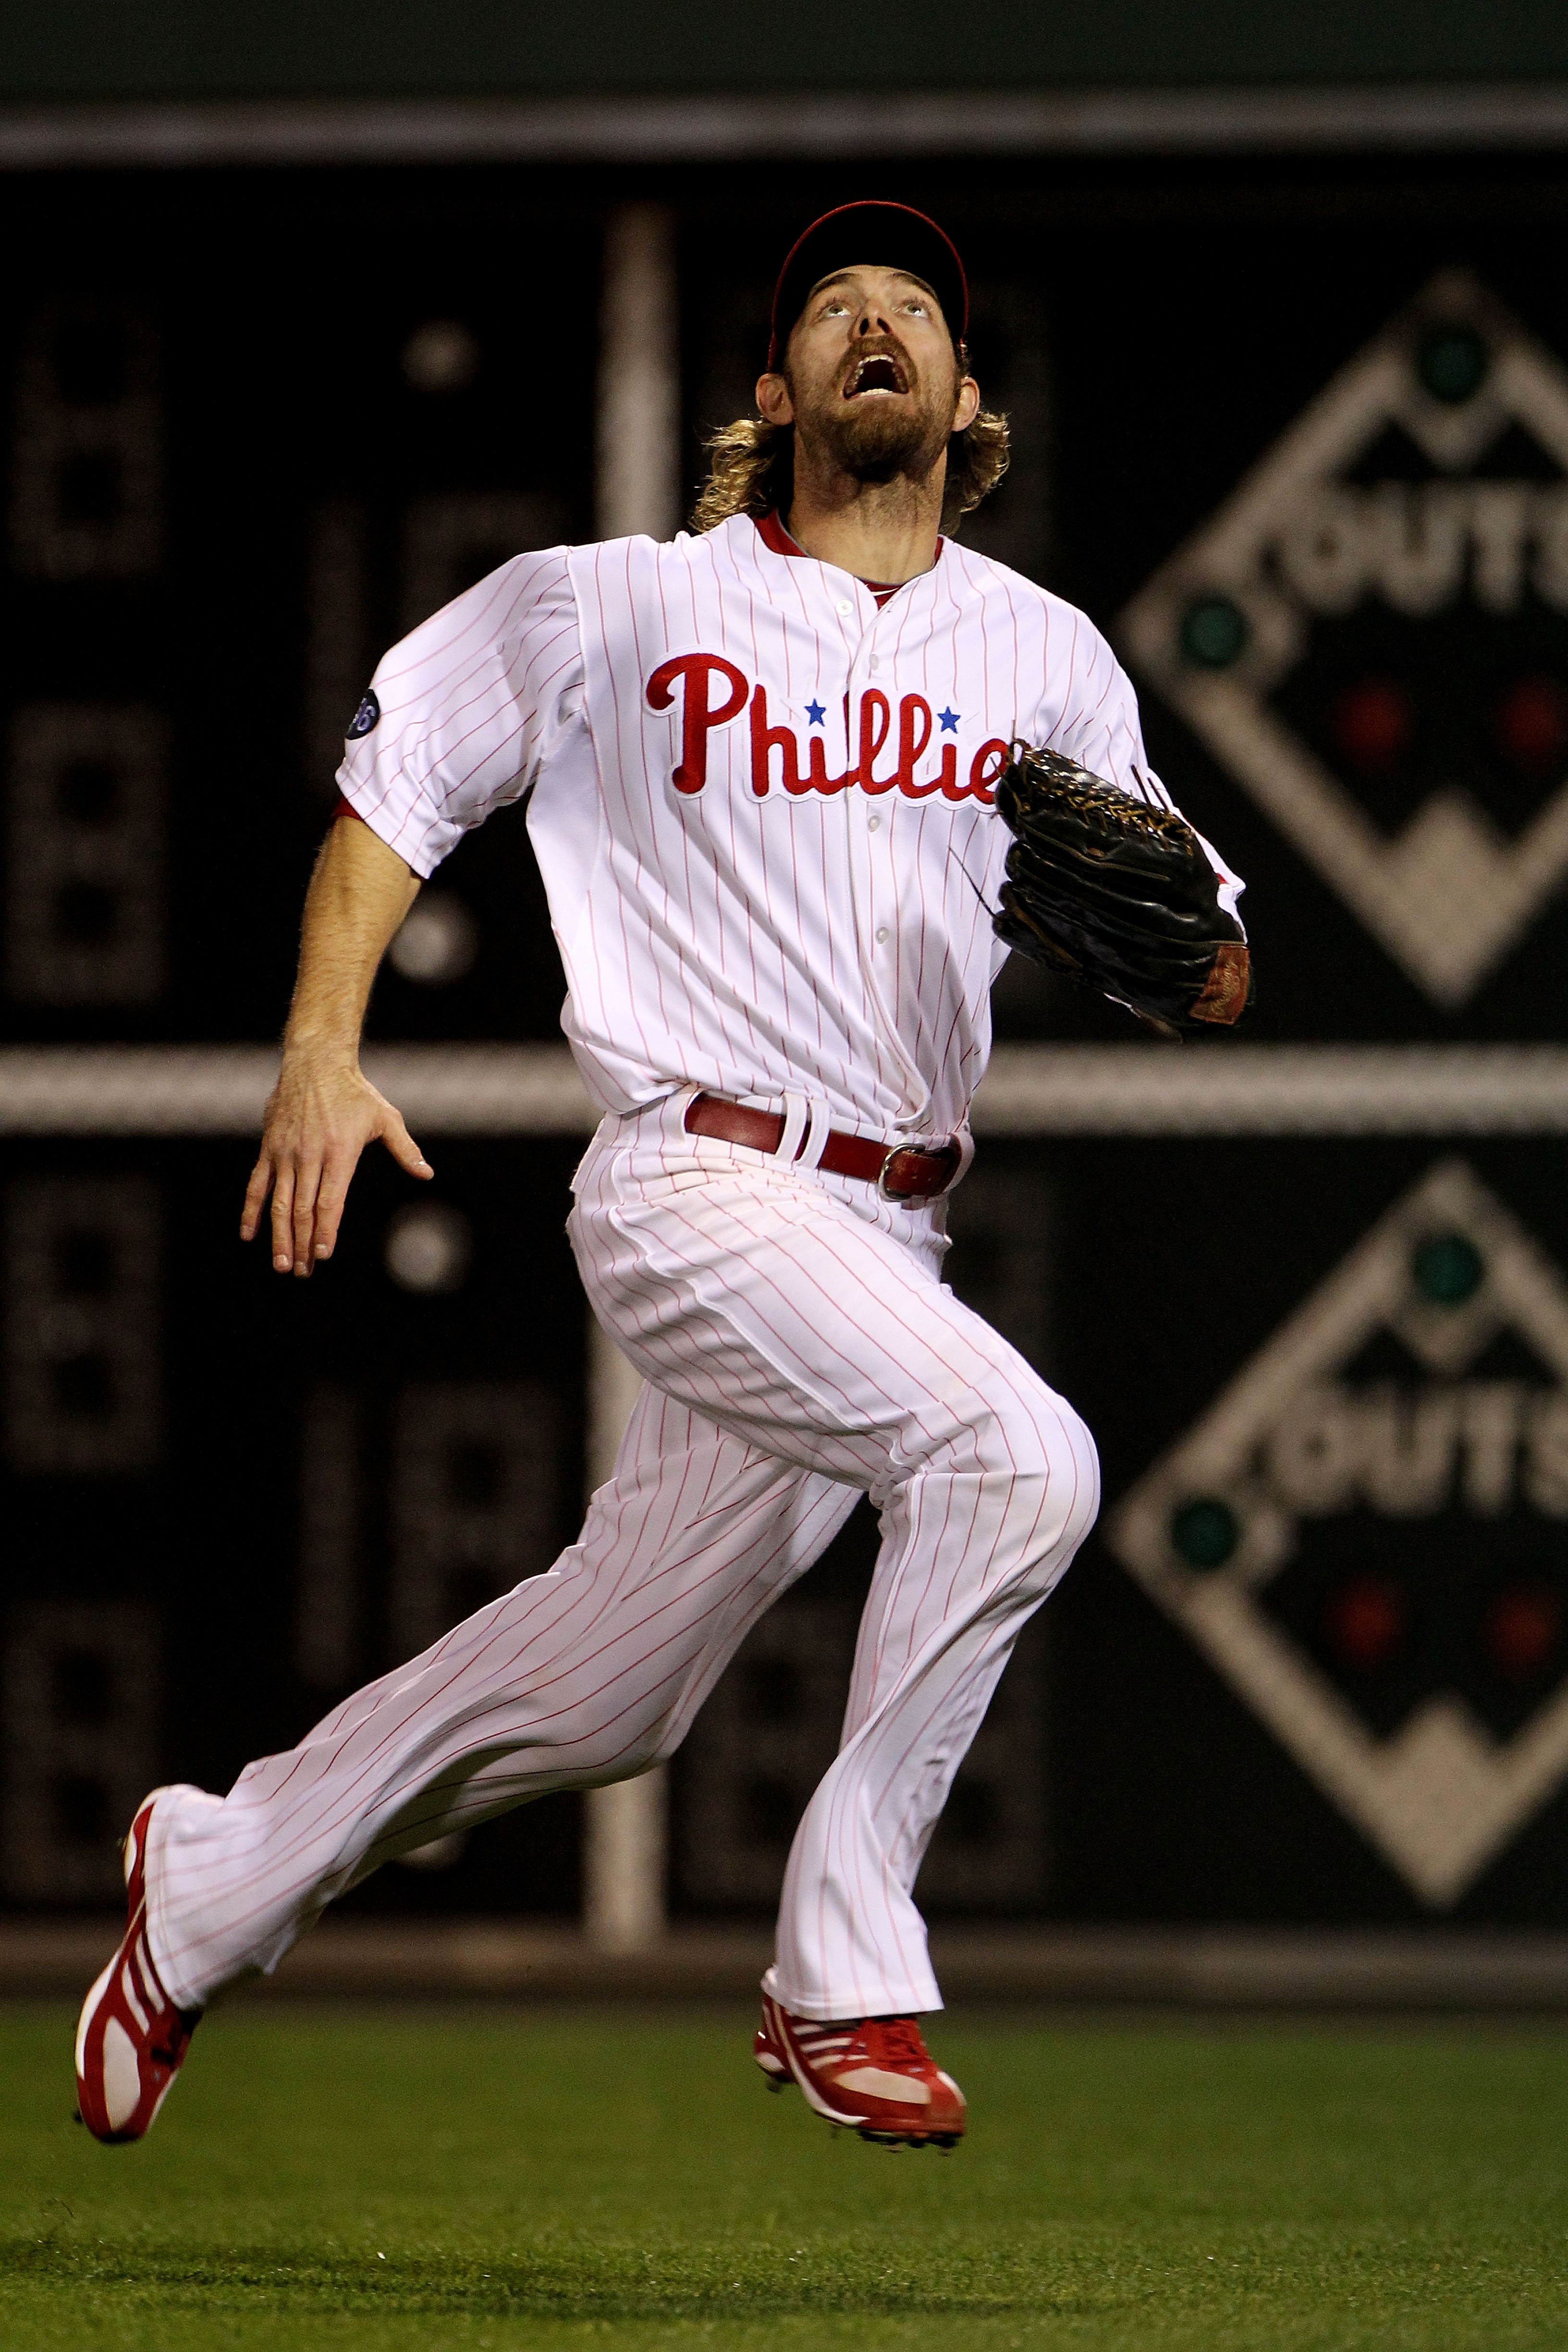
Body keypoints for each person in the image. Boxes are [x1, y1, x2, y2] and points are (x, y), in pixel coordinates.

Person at [74, 201, 1242, 2151]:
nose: (879, 328)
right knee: (1020, 1458)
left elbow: (1208, 948)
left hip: (887, 1225)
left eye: (917, 314)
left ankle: (206, 1877)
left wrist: (1193, 952)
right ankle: (838, 1976)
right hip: (696, 1182)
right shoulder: (620, 603)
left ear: (968, 403)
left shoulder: (1045, 658)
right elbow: (400, 779)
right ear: (771, 393)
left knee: (608, 1696)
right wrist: (316, 1049)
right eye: (834, 313)